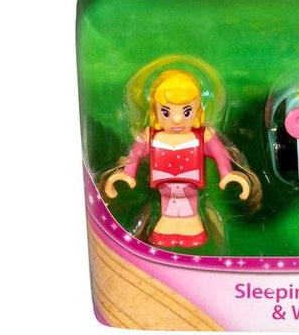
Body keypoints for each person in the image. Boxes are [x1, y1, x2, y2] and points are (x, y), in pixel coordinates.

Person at [104, 68, 251, 248]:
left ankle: (192, 229)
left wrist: (227, 174)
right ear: (155, 111)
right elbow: (135, 155)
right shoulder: (150, 137)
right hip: (165, 188)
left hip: (190, 187)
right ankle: (167, 229)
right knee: (169, 210)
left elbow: (219, 153)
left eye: (186, 112)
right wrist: (127, 174)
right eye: (166, 112)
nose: (176, 119)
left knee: (188, 210)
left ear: (198, 110)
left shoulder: (202, 137)